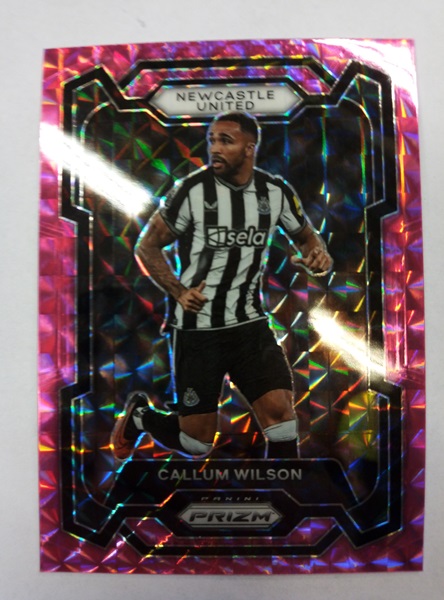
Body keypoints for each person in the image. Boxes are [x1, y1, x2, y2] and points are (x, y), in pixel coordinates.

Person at [111, 111, 332, 465]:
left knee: (281, 416)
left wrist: (317, 254)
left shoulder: (274, 192)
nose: (214, 148)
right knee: (196, 443)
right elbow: (146, 246)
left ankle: (285, 492)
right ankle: (140, 417)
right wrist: (179, 291)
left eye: (226, 141)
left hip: (249, 326)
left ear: (249, 148)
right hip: (199, 330)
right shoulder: (191, 190)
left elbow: (306, 237)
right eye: (212, 140)